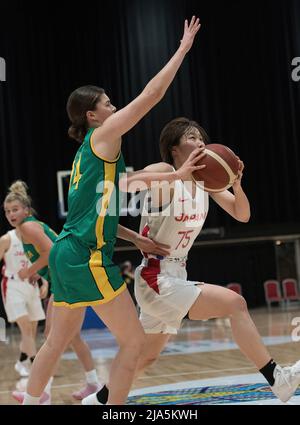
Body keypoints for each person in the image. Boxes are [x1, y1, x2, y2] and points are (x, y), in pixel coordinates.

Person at [22, 17, 201, 405]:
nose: (113, 105)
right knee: (135, 342)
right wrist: (183, 49)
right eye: (106, 103)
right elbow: (151, 96)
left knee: (54, 342)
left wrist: (135, 237)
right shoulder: (104, 136)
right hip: (86, 257)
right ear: (92, 115)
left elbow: (102, 207)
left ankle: (32, 399)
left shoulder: (88, 152)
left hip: (68, 253)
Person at [83, 117, 300, 405]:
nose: (199, 142)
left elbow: (242, 214)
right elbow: (123, 183)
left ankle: (100, 400)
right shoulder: (165, 173)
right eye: (191, 137)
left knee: (146, 357)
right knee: (235, 304)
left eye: (201, 138)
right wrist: (174, 177)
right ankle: (277, 380)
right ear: (174, 147)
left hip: (176, 274)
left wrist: (236, 184)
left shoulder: (205, 184)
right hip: (156, 277)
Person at [3, 181, 103, 404]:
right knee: (73, 337)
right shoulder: (29, 226)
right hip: (67, 278)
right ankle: (93, 383)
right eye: (7, 211)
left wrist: (29, 270)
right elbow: (52, 250)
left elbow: (52, 250)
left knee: (51, 339)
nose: (11, 214)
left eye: (15, 209)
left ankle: (42, 394)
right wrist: (40, 274)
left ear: (26, 210)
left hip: (66, 281)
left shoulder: (27, 227)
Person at [0, 228, 47, 378]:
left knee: (31, 331)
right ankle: (36, 366)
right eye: (9, 211)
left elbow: (43, 260)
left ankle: (21, 362)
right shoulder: (6, 239)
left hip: (32, 284)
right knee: (26, 328)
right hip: (12, 285)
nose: (12, 214)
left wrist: (44, 283)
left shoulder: (34, 236)